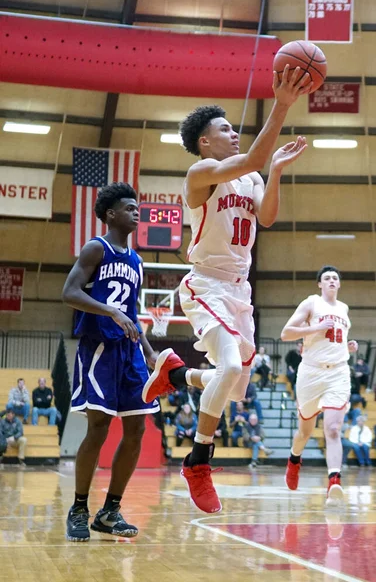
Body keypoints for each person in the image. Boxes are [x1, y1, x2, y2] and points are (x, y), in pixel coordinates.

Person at [142, 65, 312, 513]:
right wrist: (283, 104)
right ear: (204, 142)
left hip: (240, 293)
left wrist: (274, 172)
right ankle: (198, 461)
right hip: (206, 285)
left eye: (234, 128)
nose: (233, 133)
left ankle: (176, 375)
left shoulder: (251, 177)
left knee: (232, 380)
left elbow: (268, 217)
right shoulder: (201, 173)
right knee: (232, 366)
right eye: (224, 129)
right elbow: (251, 157)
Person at [61, 183, 182, 542]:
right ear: (111, 214)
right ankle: (79, 507)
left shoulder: (137, 261)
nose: (136, 212)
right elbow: (69, 292)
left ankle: (110, 511)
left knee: (137, 429)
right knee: (98, 427)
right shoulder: (95, 248)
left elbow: (129, 312)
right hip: (99, 347)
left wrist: (148, 350)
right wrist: (108, 311)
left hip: (131, 353)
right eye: (129, 208)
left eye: (137, 207)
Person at [280, 265, 358, 506]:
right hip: (311, 373)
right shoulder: (311, 303)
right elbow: (286, 333)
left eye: (335, 277)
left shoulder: (344, 309)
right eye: (327, 278)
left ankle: (334, 480)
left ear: (339, 284)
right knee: (305, 431)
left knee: (333, 429)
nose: (332, 281)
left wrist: (347, 348)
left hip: (338, 373)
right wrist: (315, 327)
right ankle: (294, 460)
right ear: (320, 284)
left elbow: (331, 344)